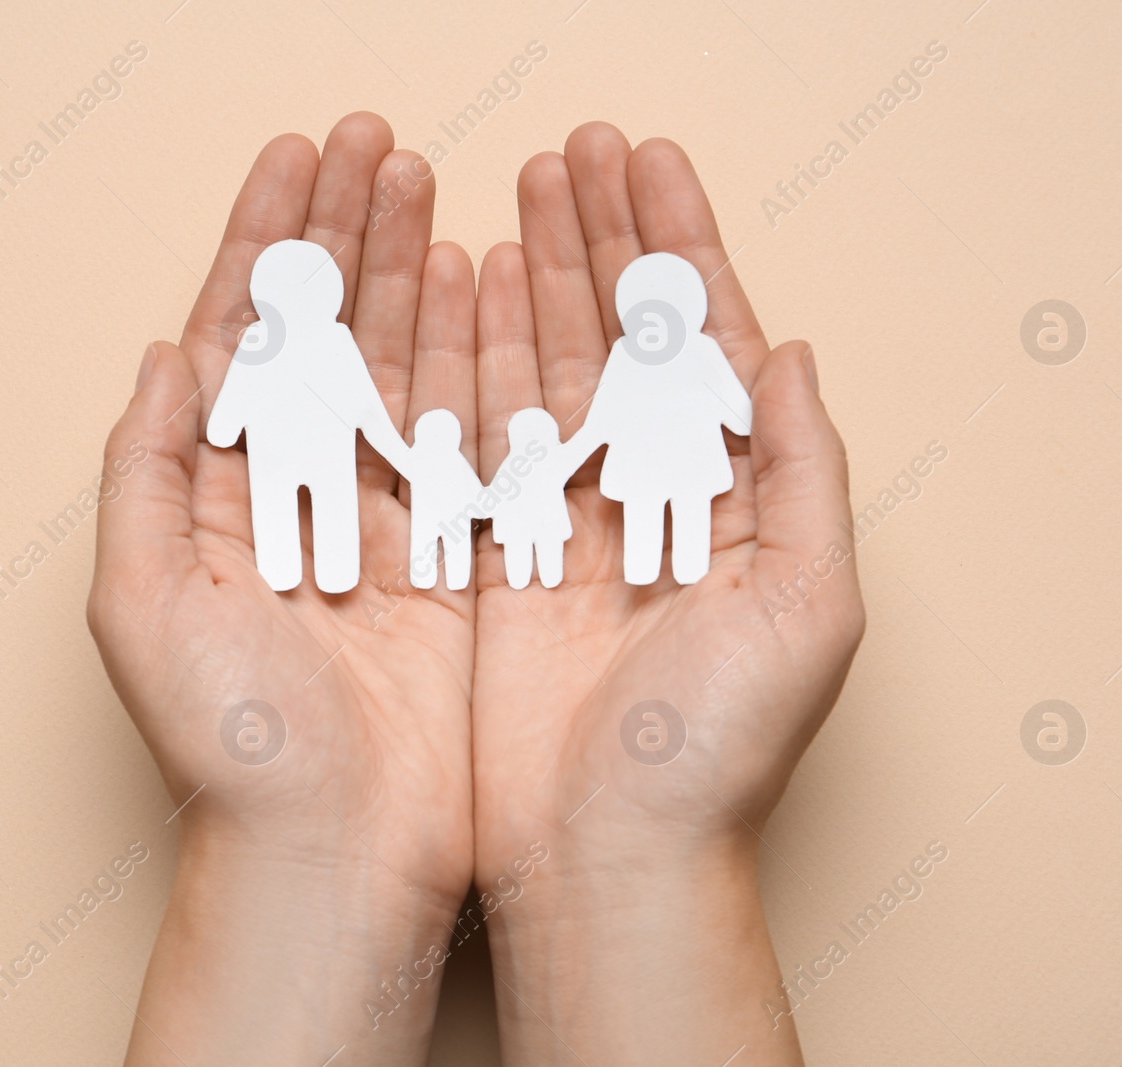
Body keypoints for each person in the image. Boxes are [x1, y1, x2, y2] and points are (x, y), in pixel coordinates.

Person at [88, 112, 864, 1066]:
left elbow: (390, 411)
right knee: (315, 517)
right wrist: (290, 847)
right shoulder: (277, 353)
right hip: (322, 456)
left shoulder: (671, 359)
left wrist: (629, 855)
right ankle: (316, 565)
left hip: (623, 478)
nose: (654, 329)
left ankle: (327, 560)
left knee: (335, 514)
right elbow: (573, 428)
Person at [206, 238, 411, 593]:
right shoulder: (334, 340)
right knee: (334, 505)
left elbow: (227, 419)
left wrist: (224, 427)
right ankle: (336, 574)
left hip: (275, 451)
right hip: (327, 453)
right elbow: (369, 413)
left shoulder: (260, 339)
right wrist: (407, 463)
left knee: (276, 509)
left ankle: (283, 572)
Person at [568, 250, 754, 585]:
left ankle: (652, 572)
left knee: (653, 509)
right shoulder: (696, 351)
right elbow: (740, 417)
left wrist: (568, 456)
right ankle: (678, 572)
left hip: (645, 462)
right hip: (690, 461)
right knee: (684, 509)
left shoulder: (631, 355)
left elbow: (602, 421)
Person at [489, 406, 578, 589]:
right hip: (536, 524)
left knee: (530, 552)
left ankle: (529, 579)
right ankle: (536, 578)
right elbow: (577, 450)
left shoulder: (510, 466)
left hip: (523, 526)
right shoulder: (552, 460)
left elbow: (494, 495)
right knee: (541, 551)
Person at [401, 407, 486, 590]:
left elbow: (474, 488)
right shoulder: (450, 460)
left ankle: (452, 580)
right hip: (447, 518)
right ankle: (448, 580)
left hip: (440, 517)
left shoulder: (426, 460)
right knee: (443, 546)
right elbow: (475, 489)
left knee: (438, 545)